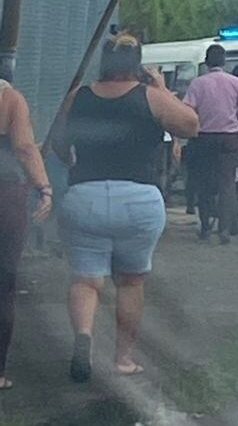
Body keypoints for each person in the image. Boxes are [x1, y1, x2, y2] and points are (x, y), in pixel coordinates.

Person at [55, 33, 198, 381]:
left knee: (86, 280)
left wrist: (72, 162)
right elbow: (191, 125)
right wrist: (161, 88)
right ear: (137, 64)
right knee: (131, 282)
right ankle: (123, 358)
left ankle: (84, 336)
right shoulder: (150, 97)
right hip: (138, 199)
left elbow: (58, 139)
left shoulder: (80, 95)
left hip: (85, 196)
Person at [0, 77, 52, 391]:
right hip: (3, 196)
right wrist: (44, 187)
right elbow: (24, 147)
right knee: (4, 284)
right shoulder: (9, 99)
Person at [183, 45, 238, 244]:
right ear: (224, 62)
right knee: (227, 184)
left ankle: (205, 227)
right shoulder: (236, 82)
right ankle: (224, 229)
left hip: (203, 138)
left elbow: (188, 112)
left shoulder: (197, 84)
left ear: (206, 62)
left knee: (204, 183)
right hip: (229, 139)